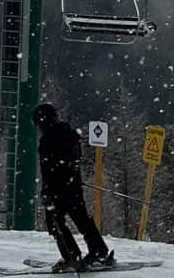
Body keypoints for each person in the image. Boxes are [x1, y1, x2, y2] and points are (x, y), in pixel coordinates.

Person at [32, 102, 114, 269]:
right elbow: (73, 161)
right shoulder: (70, 134)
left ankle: (72, 257)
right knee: (82, 218)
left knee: (55, 223)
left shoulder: (47, 140)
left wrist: (47, 190)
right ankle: (99, 252)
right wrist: (71, 178)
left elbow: (48, 169)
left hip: (56, 189)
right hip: (73, 186)